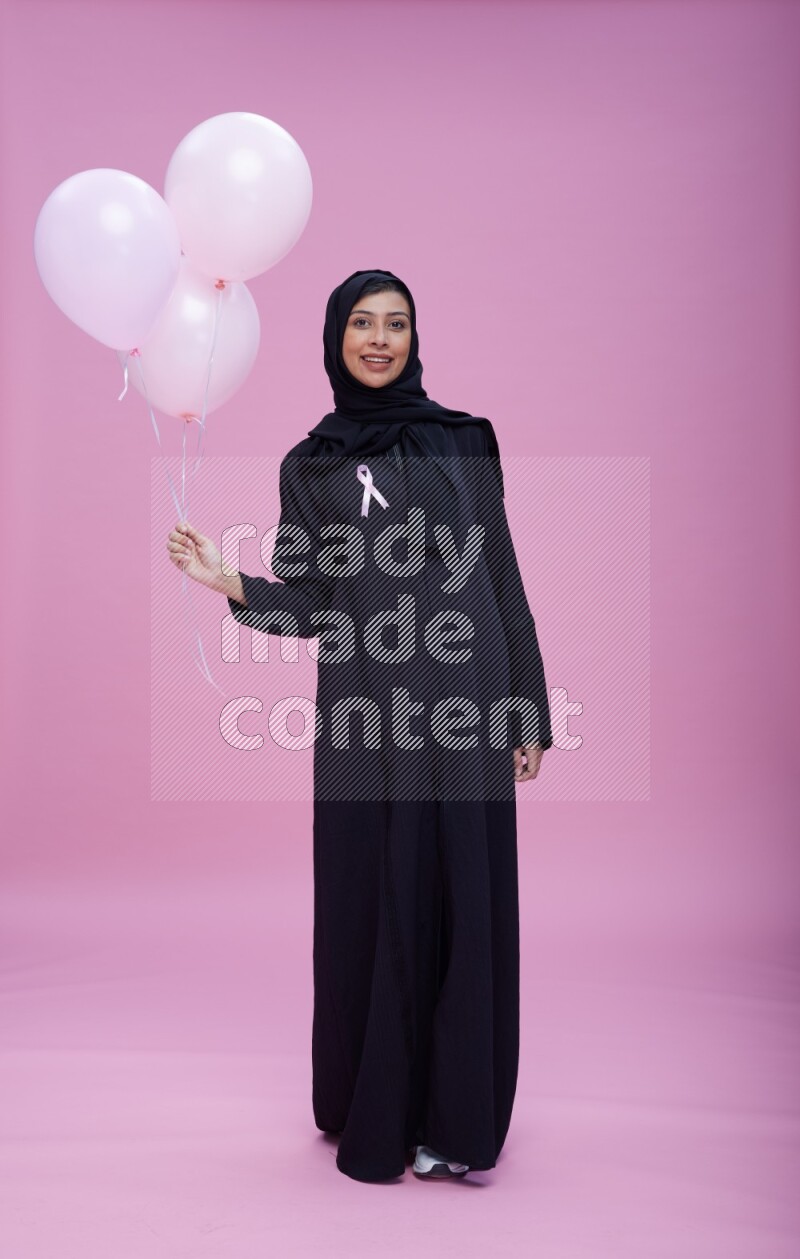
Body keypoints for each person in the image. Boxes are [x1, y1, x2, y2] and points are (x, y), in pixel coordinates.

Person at [166, 268, 553, 1183]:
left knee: (460, 899)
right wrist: (235, 584)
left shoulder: (465, 442)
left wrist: (527, 705)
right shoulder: (313, 463)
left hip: (466, 705)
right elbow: (314, 602)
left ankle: (457, 1125)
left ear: (416, 337)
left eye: (397, 323)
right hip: (367, 717)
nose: (379, 339)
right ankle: (374, 1101)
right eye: (362, 325)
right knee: (375, 896)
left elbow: (501, 574)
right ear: (336, 337)